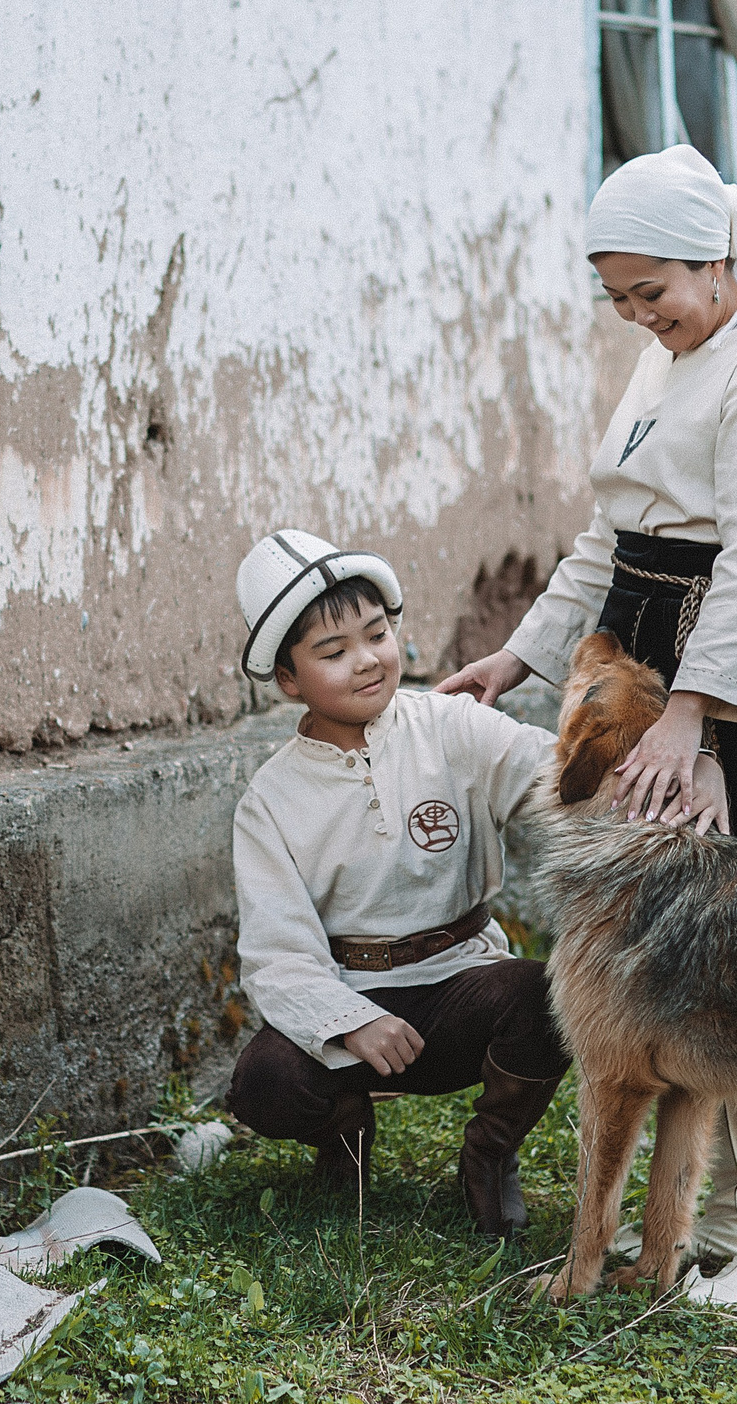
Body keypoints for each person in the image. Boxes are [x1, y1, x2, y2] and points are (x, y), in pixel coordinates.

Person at [435, 145, 737, 1306]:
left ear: (717, 263)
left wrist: (696, 726)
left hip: (731, 665)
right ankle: (701, 1208)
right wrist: (520, 653)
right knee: (654, 939)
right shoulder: (665, 363)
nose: (635, 316)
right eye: (616, 297)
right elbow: (610, 538)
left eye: (650, 291)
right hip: (641, 639)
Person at [222, 528, 567, 1237]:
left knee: (545, 994)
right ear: (289, 679)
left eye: (376, 634)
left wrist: (634, 772)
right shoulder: (271, 798)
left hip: (459, 986)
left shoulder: (448, 726)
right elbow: (276, 951)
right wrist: (351, 1020)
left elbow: (549, 770)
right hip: (350, 1000)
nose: (365, 660)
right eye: (332, 651)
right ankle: (342, 1135)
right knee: (265, 1080)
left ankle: (491, 1152)